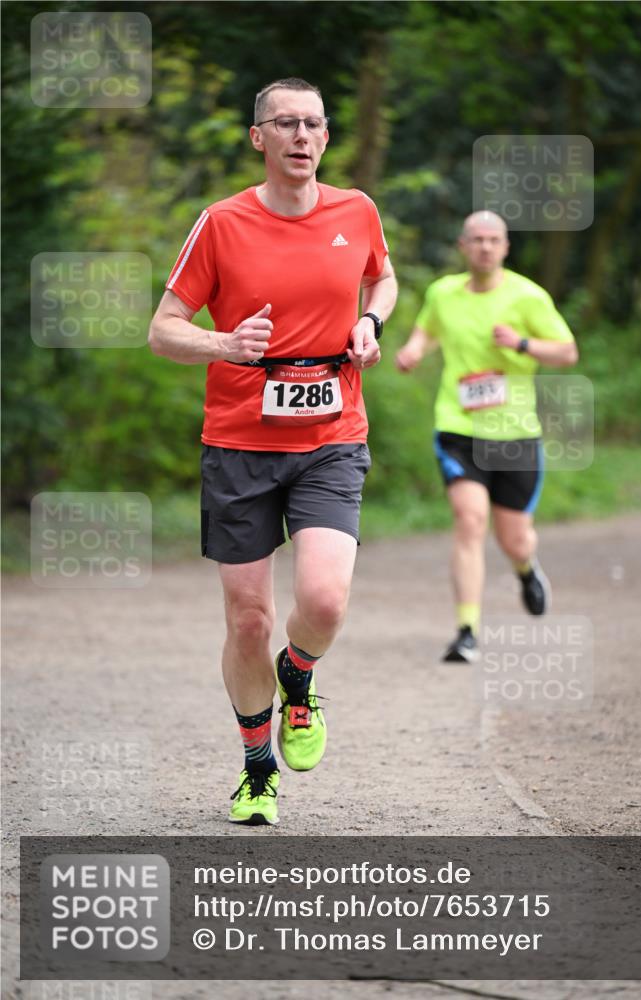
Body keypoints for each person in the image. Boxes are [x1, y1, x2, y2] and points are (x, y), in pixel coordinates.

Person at [148, 78, 397, 824]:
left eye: (313, 123)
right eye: (284, 123)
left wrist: (371, 324)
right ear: (257, 137)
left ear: (325, 137)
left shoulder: (357, 211)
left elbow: (381, 278)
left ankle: (300, 676)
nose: (300, 135)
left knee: (322, 601)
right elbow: (163, 329)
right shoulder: (221, 224)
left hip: (330, 438)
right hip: (239, 446)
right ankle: (257, 769)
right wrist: (224, 343)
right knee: (248, 618)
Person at [395, 211, 577, 663]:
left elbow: (567, 351)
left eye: (493, 240)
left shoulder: (527, 296)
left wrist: (521, 345)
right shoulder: (443, 293)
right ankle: (468, 630)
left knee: (515, 539)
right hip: (460, 428)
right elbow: (427, 330)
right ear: (463, 246)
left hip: (515, 433)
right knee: (470, 521)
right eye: (476, 239)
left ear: (506, 247)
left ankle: (526, 570)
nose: (485, 247)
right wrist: (415, 349)